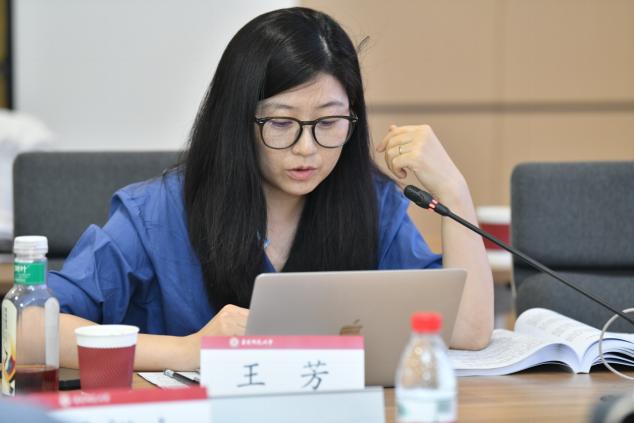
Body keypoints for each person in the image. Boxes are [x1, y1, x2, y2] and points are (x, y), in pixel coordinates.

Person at [51, 7, 493, 371]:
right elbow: (32, 327)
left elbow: (468, 331)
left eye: (328, 122)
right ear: (236, 120)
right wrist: (188, 350)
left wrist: (454, 189)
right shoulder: (156, 212)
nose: (307, 149)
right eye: (281, 123)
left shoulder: (372, 204)